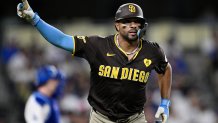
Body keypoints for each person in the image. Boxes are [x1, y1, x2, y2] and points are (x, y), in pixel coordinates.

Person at [17, 1, 172, 123]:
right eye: (127, 21)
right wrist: (35, 19)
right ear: (117, 25)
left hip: (135, 118)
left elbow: (165, 69)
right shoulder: (98, 46)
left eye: (137, 21)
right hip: (101, 119)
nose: (133, 25)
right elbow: (61, 40)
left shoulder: (152, 51)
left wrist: (165, 103)